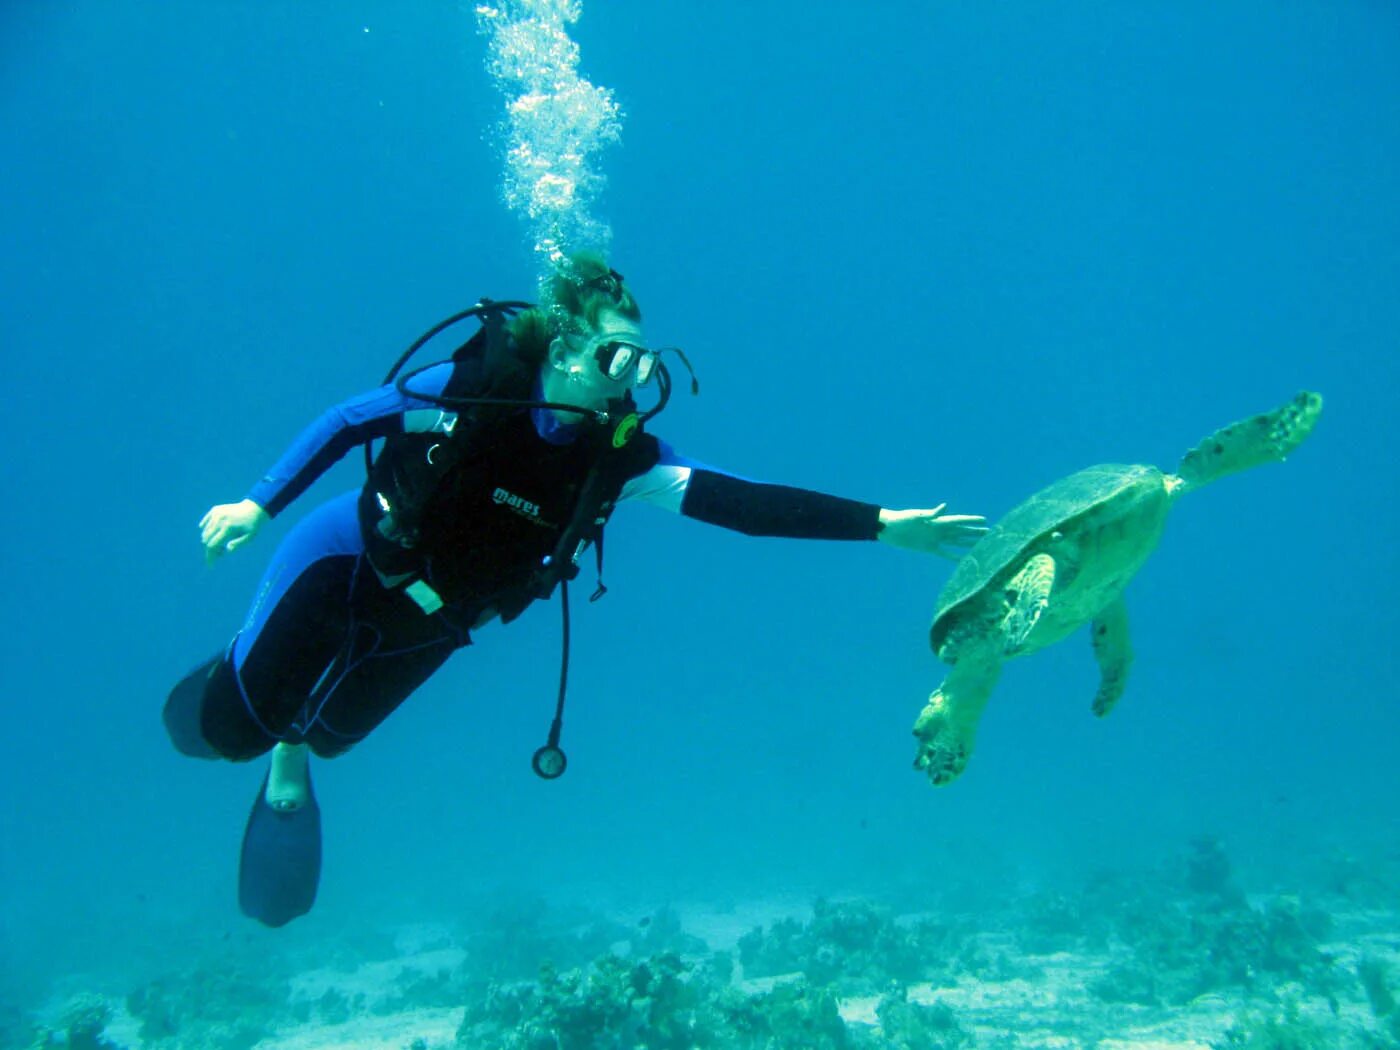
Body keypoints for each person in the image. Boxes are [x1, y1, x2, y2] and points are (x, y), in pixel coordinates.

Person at [165, 253, 987, 925]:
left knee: (331, 736)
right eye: (613, 356)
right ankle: (251, 691)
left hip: (439, 621)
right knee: (227, 729)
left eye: (642, 360)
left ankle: (294, 748)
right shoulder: (473, 389)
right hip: (344, 562)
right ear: (562, 351)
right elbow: (350, 420)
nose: (629, 377)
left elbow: (742, 503)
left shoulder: (618, 461)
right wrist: (256, 503)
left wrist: (886, 524)